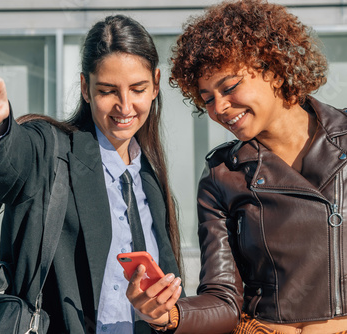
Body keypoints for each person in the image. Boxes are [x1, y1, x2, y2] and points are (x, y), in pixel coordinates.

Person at [125, 0, 347, 333]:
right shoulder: (222, 174)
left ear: (272, 66)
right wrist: (169, 315)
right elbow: (224, 297)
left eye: (229, 88)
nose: (220, 108)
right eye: (207, 98)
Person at [0, 15, 184, 334]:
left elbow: (171, 292)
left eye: (138, 89)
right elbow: (7, 164)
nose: (124, 105)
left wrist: (165, 313)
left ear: (156, 84)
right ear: (86, 89)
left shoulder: (150, 177)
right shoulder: (51, 151)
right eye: (107, 90)